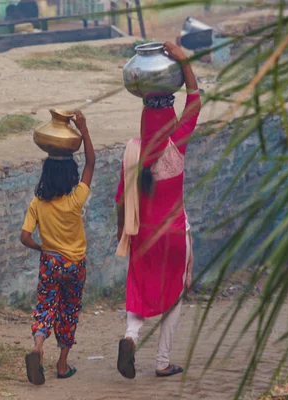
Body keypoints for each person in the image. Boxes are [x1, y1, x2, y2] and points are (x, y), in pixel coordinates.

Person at [115, 41, 201, 379]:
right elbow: (194, 99)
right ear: (169, 115)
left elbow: (121, 202)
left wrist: (123, 234)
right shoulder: (177, 142)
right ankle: (163, 361)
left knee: (138, 292)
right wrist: (184, 59)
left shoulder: (133, 154)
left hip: (143, 236)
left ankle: (130, 338)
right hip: (175, 234)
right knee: (174, 295)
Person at [20, 111, 95, 385]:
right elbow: (90, 162)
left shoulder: (37, 204)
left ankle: (37, 346)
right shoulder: (75, 199)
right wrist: (84, 129)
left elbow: (24, 237)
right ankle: (62, 366)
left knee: (45, 306)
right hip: (75, 264)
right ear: (70, 175)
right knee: (68, 310)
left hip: (50, 262)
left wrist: (42, 248)